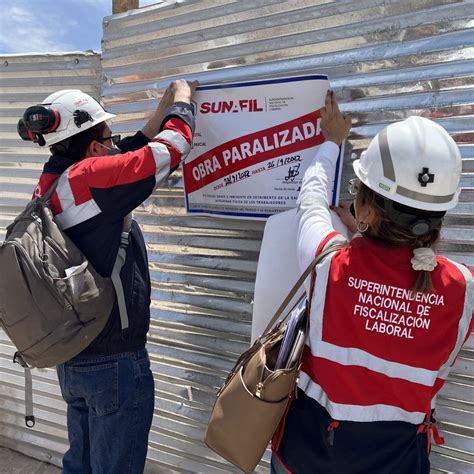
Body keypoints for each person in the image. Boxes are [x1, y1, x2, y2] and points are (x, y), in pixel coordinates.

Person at [271, 90, 473, 473]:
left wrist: (331, 141)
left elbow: (311, 199)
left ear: (364, 207)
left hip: (307, 457)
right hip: (397, 463)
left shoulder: (328, 263)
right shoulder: (464, 289)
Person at [23, 80, 196, 473]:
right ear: (95, 147)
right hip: (114, 363)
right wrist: (183, 101)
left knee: (81, 465)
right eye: (106, 136)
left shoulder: (53, 181)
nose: (113, 142)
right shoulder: (91, 178)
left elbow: (125, 155)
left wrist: (158, 111)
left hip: (75, 357)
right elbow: (171, 149)